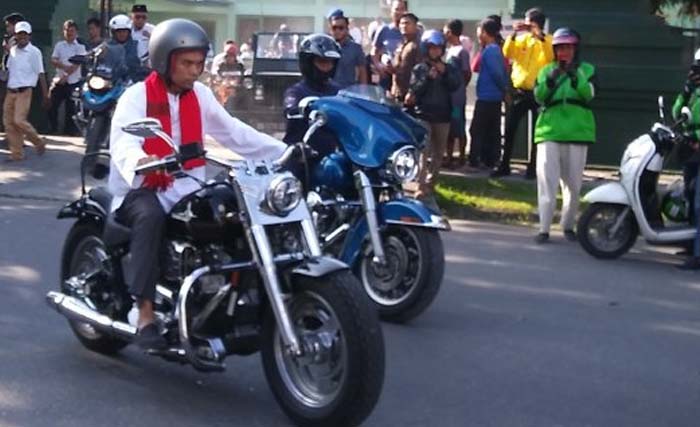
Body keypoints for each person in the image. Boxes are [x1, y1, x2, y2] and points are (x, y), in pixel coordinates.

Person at [109, 18, 287, 349]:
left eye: (198, 63)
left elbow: (234, 133)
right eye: (186, 63)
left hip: (187, 185)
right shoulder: (136, 97)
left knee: (233, 210)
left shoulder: (201, 95)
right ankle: (144, 312)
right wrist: (140, 161)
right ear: (164, 61)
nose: (194, 71)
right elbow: (123, 141)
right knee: (150, 217)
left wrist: (285, 153)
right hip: (143, 187)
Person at [532, 28, 596, 244]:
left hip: (577, 131)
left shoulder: (587, 70)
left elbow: (590, 95)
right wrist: (551, 80)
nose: (564, 52)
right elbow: (539, 97)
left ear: (575, 49)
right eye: (560, 48)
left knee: (573, 184)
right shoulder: (545, 70)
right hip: (550, 131)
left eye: (568, 47)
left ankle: (568, 225)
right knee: (546, 182)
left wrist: (575, 75)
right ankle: (544, 228)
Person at [494, 7, 553, 179]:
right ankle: (504, 164)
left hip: (538, 92)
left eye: (528, 22)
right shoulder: (522, 39)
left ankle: (532, 168)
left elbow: (550, 57)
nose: (525, 25)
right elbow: (507, 53)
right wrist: (513, 34)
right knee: (511, 128)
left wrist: (538, 35)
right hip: (519, 91)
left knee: (537, 132)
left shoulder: (548, 40)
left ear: (536, 23)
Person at [407, 29, 460, 207]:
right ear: (426, 49)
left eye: (438, 48)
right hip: (424, 115)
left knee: (438, 154)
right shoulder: (420, 69)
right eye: (431, 48)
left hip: (443, 116)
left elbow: (455, 85)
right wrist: (428, 79)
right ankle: (420, 187)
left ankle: (431, 184)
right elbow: (415, 90)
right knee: (424, 152)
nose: (435, 51)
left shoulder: (449, 68)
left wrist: (444, 73)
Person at [283, 33, 341, 160]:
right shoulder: (296, 92)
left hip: (334, 153)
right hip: (304, 155)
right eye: (322, 61)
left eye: (330, 62)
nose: (327, 66)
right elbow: (290, 108)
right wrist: (303, 109)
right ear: (308, 63)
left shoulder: (338, 92)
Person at [3, 21, 50, 162]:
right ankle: (16, 154)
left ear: (29, 35)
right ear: (15, 36)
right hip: (11, 90)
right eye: (19, 34)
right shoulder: (11, 51)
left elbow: (41, 74)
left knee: (19, 120)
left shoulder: (34, 52)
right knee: (9, 123)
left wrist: (46, 95)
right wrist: (6, 52)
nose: (22, 37)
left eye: (24, 34)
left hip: (25, 91)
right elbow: (6, 70)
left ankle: (38, 141)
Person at [672, 49, 700, 269]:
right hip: (691, 151)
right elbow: (676, 113)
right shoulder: (695, 92)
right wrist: (686, 91)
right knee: (690, 196)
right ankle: (692, 243)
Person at [469, 18, 508, 170]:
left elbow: (497, 73)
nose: (478, 34)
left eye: (479, 30)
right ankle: (489, 159)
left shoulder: (491, 50)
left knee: (477, 129)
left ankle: (476, 160)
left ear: (485, 32)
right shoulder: (493, 49)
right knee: (491, 129)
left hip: (488, 96)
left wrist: (504, 90)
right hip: (492, 96)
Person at [49, 20, 87, 136]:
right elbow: (54, 60)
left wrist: (66, 75)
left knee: (71, 109)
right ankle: (53, 129)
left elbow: (76, 65)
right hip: (59, 81)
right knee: (52, 105)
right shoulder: (59, 45)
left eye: (72, 31)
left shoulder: (80, 47)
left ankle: (69, 132)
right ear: (63, 31)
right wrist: (64, 67)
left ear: (76, 32)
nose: (69, 33)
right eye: (67, 30)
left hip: (73, 82)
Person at [443, 19, 472, 169]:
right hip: (448, 96)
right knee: (449, 127)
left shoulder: (462, 51)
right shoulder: (449, 50)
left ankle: (461, 156)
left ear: (450, 32)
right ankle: (448, 156)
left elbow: (467, 73)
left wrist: (460, 87)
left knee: (458, 125)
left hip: (457, 98)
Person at [371, 0, 407, 90]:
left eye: (402, 9)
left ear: (406, 11)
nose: (399, 12)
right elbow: (374, 51)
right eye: (396, 9)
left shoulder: (413, 31)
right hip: (386, 77)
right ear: (391, 11)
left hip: (405, 78)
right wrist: (379, 66)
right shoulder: (383, 30)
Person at [327, 9, 367, 88]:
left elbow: (362, 73)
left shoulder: (356, 49)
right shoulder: (325, 47)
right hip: (328, 93)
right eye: (334, 28)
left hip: (349, 93)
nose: (337, 31)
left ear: (347, 29)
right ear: (330, 29)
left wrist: (363, 91)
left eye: (341, 28)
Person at [1, 12, 25, 135]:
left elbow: (18, 57)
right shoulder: (9, 39)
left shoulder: (20, 41)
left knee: (14, 109)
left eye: (9, 26)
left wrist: (8, 48)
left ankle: (16, 135)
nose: (7, 29)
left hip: (16, 79)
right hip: (6, 76)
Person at [390, 12, 421, 104]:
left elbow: (420, 72)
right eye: (402, 23)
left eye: (407, 23)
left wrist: (412, 92)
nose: (404, 26)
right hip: (397, 94)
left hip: (410, 96)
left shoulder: (416, 46)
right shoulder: (401, 46)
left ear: (415, 26)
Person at [107, 14, 148, 82]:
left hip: (133, 83)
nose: (122, 34)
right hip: (111, 82)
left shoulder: (139, 46)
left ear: (129, 32)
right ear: (113, 33)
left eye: (124, 31)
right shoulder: (106, 46)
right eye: (119, 31)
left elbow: (146, 65)